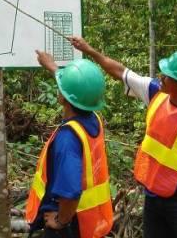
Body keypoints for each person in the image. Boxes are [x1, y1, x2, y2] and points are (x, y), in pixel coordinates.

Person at [65, 37, 177, 238]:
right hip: (153, 196)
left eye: (168, 75)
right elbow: (121, 72)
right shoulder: (156, 93)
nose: (161, 76)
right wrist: (89, 50)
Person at [26, 51, 113, 238]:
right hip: (89, 221)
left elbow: (70, 191)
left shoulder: (68, 138)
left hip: (69, 226)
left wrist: (60, 221)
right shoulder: (93, 120)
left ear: (63, 98)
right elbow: (79, 88)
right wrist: (53, 67)